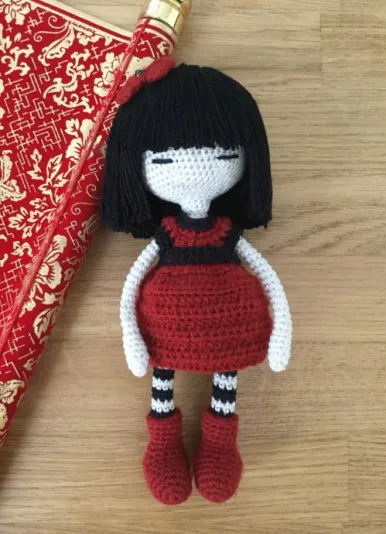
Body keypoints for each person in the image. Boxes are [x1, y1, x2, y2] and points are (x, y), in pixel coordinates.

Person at [101, 62, 292, 505]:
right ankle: (163, 441)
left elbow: (268, 277)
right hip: (166, 326)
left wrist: (281, 329)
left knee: (225, 372)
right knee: (163, 376)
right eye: (164, 159)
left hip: (231, 323)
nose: (194, 167)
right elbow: (132, 286)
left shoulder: (227, 233)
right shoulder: (167, 236)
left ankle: (221, 443)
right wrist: (132, 334)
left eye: (224, 154)